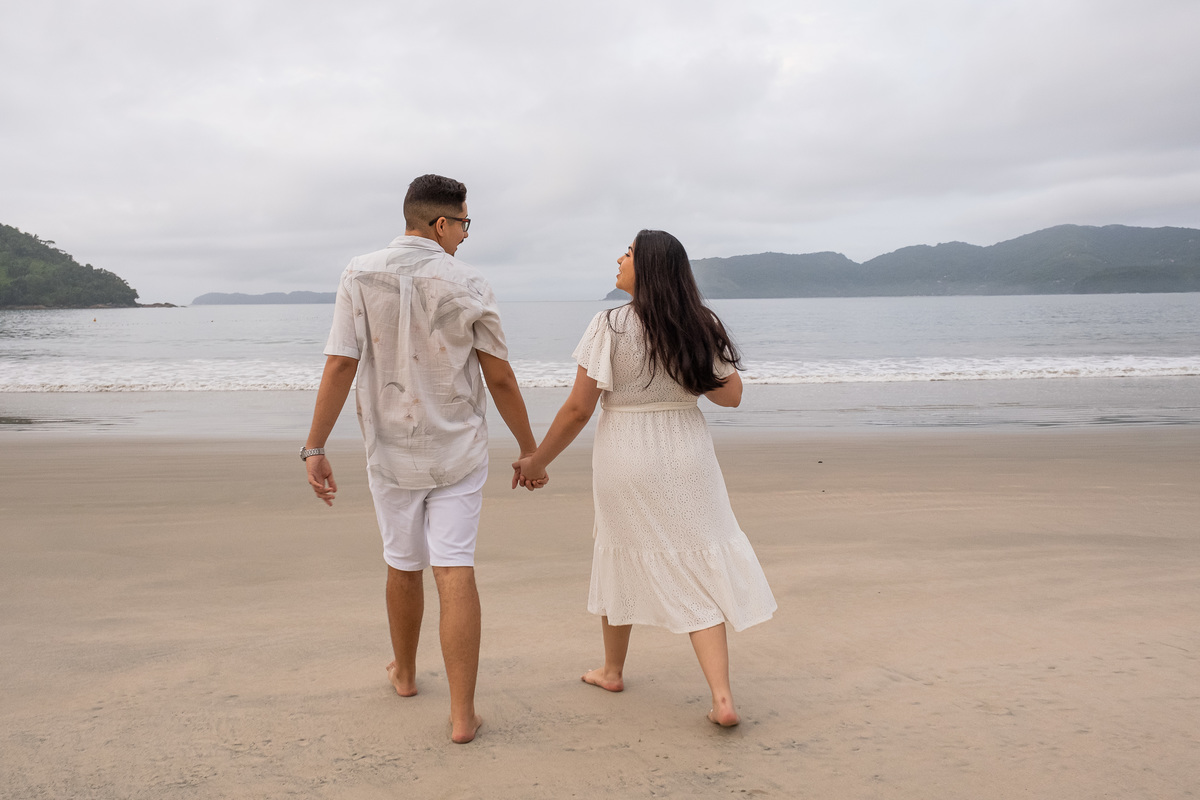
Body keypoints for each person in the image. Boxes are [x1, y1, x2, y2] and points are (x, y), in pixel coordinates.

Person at [302, 174, 540, 744]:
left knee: (401, 562)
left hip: (389, 449)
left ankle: (405, 675)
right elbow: (499, 376)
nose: (464, 235)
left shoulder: (358, 272)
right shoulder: (470, 282)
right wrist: (530, 448)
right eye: (463, 225)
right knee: (454, 568)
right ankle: (463, 716)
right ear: (440, 224)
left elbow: (340, 363)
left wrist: (315, 446)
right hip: (457, 447)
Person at [515, 229, 776, 727]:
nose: (619, 258)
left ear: (649, 266)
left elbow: (577, 409)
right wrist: (688, 364)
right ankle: (720, 696)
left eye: (629, 253)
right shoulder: (698, 324)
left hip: (626, 457)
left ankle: (613, 670)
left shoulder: (610, 325)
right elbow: (731, 395)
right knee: (695, 558)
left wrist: (538, 461)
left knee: (618, 547)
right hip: (687, 455)